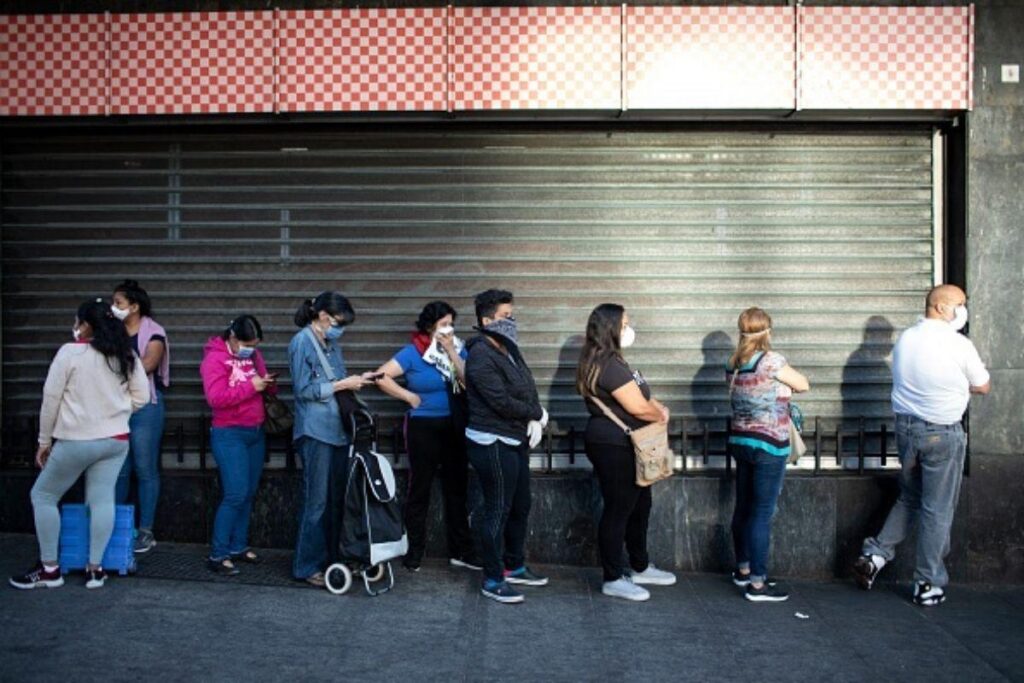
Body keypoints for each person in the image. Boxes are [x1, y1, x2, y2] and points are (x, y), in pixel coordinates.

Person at [853, 285, 990, 606]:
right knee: (937, 509)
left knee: (911, 496)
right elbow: (983, 385)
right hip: (942, 434)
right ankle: (927, 582)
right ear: (942, 308)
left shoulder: (907, 339)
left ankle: (875, 555)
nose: (963, 310)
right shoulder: (958, 344)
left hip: (906, 431)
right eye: (960, 304)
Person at [10, 299, 149, 590]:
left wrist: (44, 441)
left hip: (76, 440)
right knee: (101, 499)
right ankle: (95, 569)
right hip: (116, 440)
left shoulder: (70, 353)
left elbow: (51, 401)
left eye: (78, 321)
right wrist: (118, 411)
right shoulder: (126, 354)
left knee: (44, 495)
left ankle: (50, 569)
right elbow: (142, 398)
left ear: (86, 324)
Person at [576, 304, 677, 602]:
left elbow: (643, 397)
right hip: (615, 444)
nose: (629, 330)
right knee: (619, 509)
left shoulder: (612, 360)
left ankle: (639, 565)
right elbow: (636, 407)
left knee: (640, 504)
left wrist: (658, 407)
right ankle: (613, 577)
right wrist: (658, 413)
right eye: (624, 325)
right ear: (610, 328)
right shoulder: (607, 364)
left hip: (623, 442)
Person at [373, 301, 480, 573]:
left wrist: (452, 352)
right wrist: (408, 396)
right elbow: (380, 376)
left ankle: (461, 550)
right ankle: (414, 550)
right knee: (419, 488)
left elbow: (469, 382)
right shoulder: (413, 353)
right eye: (443, 324)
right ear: (430, 327)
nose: (448, 329)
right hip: (424, 427)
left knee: (457, 490)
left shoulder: (459, 348)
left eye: (450, 323)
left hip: (454, 425)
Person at [464, 289, 549, 604]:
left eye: (511, 315)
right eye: (504, 317)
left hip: (514, 437)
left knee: (520, 504)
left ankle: (514, 564)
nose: (511, 321)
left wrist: (533, 416)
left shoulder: (507, 348)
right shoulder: (480, 355)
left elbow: (526, 384)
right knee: (497, 509)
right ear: (486, 321)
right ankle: (492, 577)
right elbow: (498, 400)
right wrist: (535, 413)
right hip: (492, 441)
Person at [289, 292, 377, 587]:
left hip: (337, 431)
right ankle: (306, 566)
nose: (341, 329)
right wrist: (342, 383)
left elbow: (334, 382)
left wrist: (356, 381)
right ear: (323, 315)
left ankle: (332, 558)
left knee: (336, 499)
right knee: (316, 502)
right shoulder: (302, 342)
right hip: (315, 432)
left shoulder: (332, 343)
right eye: (339, 322)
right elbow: (303, 389)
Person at [726, 307, 809, 603]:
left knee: (744, 507)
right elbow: (803, 384)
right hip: (769, 444)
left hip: (741, 440)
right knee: (762, 513)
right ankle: (759, 585)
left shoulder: (734, 362)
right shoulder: (771, 360)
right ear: (768, 331)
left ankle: (744, 570)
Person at [200, 315, 276, 576]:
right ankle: (218, 554)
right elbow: (216, 398)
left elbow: (261, 383)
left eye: (255, 344)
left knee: (249, 492)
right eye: (247, 344)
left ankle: (238, 546)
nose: (251, 349)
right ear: (232, 337)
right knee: (235, 493)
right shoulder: (214, 359)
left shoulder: (253, 356)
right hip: (228, 433)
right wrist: (251, 386)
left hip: (255, 431)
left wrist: (267, 384)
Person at [112, 279, 169, 554]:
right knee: (119, 470)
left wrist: (117, 371)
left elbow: (149, 364)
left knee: (145, 469)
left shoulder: (153, 332)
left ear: (134, 306)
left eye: (119, 303)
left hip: (146, 406)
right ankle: (115, 527)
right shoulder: (111, 331)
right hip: (115, 407)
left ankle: (146, 530)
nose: (115, 308)